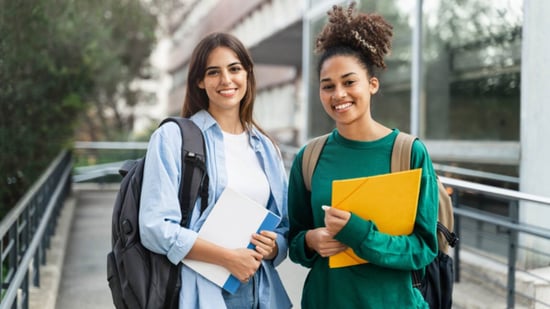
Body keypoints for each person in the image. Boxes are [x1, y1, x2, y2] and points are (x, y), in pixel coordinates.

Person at [287, 3, 439, 308]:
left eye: (349, 82)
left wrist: (359, 234)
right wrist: (309, 241)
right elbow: (294, 240)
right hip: (325, 300)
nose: (338, 94)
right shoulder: (309, 157)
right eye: (327, 86)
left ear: (372, 85)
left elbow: (423, 249)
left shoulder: (408, 153)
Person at [139, 32, 292, 309]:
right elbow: (155, 227)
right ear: (200, 81)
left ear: (247, 74)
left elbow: (283, 225)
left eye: (234, 69)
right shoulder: (173, 138)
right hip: (202, 293)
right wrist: (226, 257)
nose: (226, 80)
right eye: (213, 72)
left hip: (262, 291)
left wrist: (274, 246)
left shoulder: (267, 147)